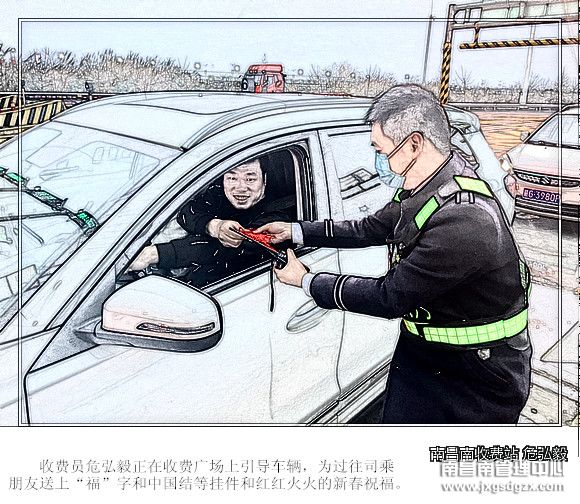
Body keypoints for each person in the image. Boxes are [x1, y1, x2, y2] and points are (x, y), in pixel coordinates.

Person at [256, 85, 532, 424]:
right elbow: (369, 228)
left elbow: (390, 297)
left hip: (474, 375)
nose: (379, 159)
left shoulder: (465, 218)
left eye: (381, 149)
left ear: (414, 144)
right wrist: (295, 230)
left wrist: (306, 280)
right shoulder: (431, 185)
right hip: (428, 352)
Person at [129, 157, 294, 286]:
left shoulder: (278, 216)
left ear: (265, 180)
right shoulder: (219, 194)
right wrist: (213, 226)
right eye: (232, 178)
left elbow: (228, 247)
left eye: (250, 179)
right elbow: (187, 212)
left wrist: (154, 254)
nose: (240, 187)